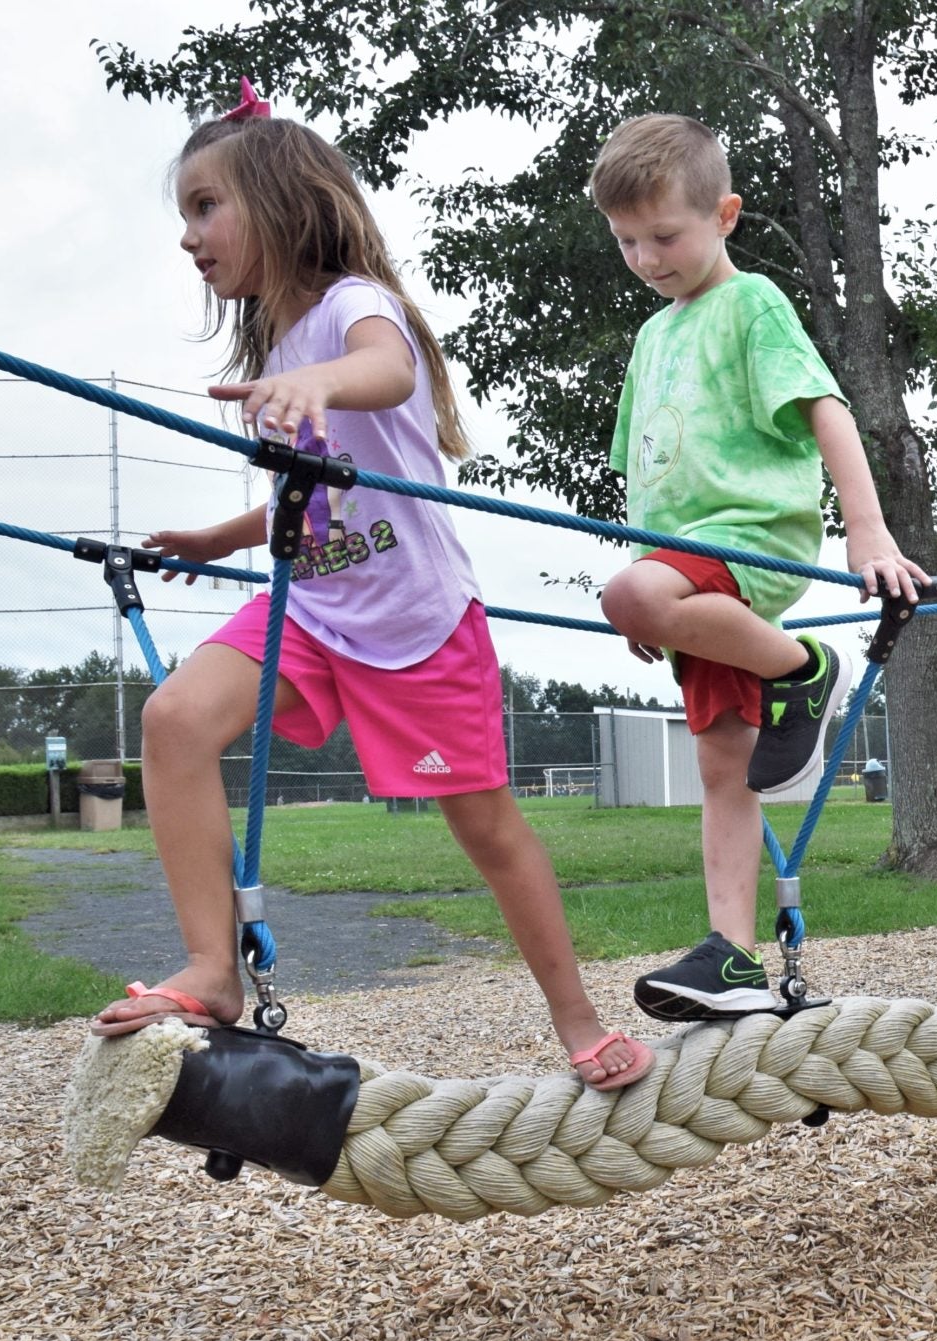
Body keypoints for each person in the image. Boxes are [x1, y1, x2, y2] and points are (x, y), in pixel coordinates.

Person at [91, 82, 653, 1092]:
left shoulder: (354, 311)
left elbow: (386, 373)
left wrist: (320, 383)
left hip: (416, 624)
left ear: (283, 204)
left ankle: (576, 1020)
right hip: (312, 609)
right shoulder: (275, 349)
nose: (189, 238)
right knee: (175, 717)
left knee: (483, 827)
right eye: (183, 214)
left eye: (206, 206)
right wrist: (228, 535)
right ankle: (215, 970)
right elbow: (324, 505)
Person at [589, 114, 928, 1021]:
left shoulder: (753, 304)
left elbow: (827, 410)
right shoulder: (650, 338)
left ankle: (804, 667)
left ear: (725, 215)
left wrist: (868, 534)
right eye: (628, 241)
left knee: (626, 596)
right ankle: (733, 957)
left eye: (666, 235)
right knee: (723, 768)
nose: (647, 256)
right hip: (685, 571)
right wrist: (655, 601)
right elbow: (649, 472)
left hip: (749, 543)